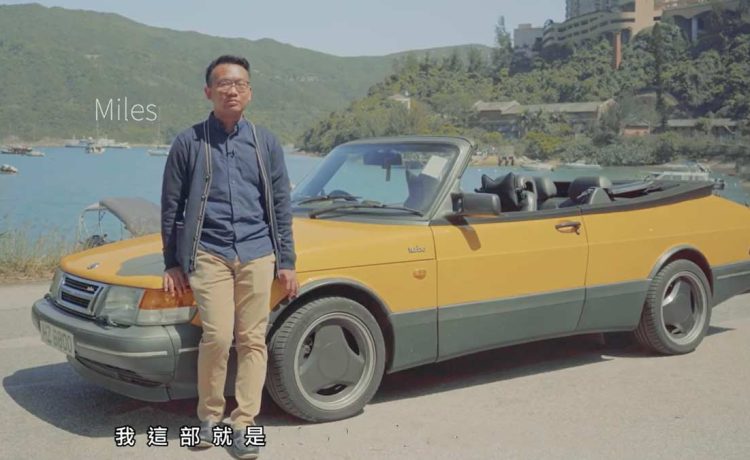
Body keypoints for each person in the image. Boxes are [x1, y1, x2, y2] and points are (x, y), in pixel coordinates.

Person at [161, 54, 298, 459]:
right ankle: (209, 417)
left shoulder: (265, 142)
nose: (231, 89)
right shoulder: (189, 142)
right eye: (223, 83)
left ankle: (244, 425)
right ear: (208, 92)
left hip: (258, 251)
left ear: (249, 92)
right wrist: (172, 261)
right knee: (218, 336)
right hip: (210, 252)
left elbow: (281, 205)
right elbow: (172, 206)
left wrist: (286, 261)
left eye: (239, 83)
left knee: (253, 338)